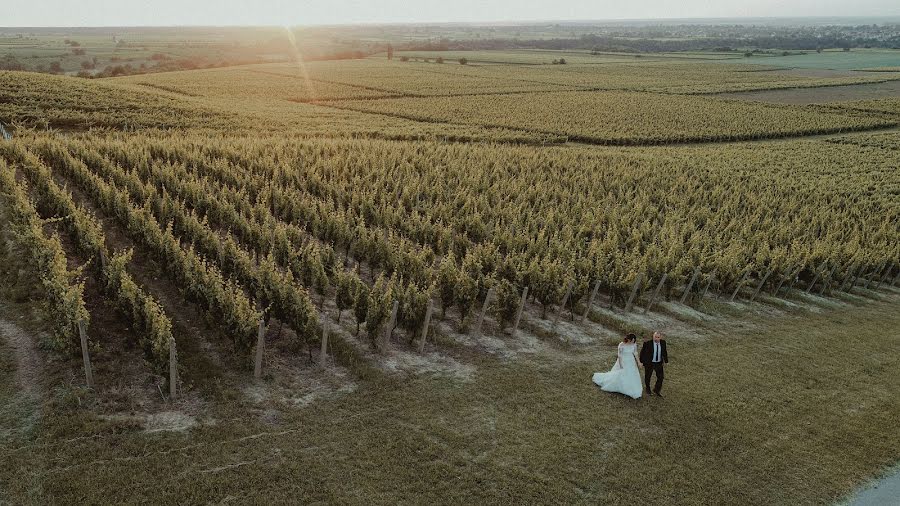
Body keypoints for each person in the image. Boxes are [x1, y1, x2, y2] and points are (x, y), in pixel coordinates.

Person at [592, 334, 642, 399]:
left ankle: (631, 388)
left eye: (634, 340)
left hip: (631, 361)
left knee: (632, 374)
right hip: (623, 361)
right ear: (628, 339)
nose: (633, 342)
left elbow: (635, 353)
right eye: (632, 340)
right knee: (621, 374)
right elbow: (620, 355)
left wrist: (639, 362)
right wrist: (620, 364)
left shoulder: (634, 344)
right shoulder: (621, 345)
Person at [640, 331, 668, 397]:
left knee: (661, 377)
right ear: (653, 336)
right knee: (648, 376)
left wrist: (666, 361)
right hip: (650, 363)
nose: (656, 339)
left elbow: (664, 352)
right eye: (655, 337)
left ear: (660, 337)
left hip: (659, 363)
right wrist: (641, 362)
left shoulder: (663, 343)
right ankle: (648, 388)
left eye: (658, 337)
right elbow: (642, 353)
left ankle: (656, 390)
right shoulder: (647, 343)